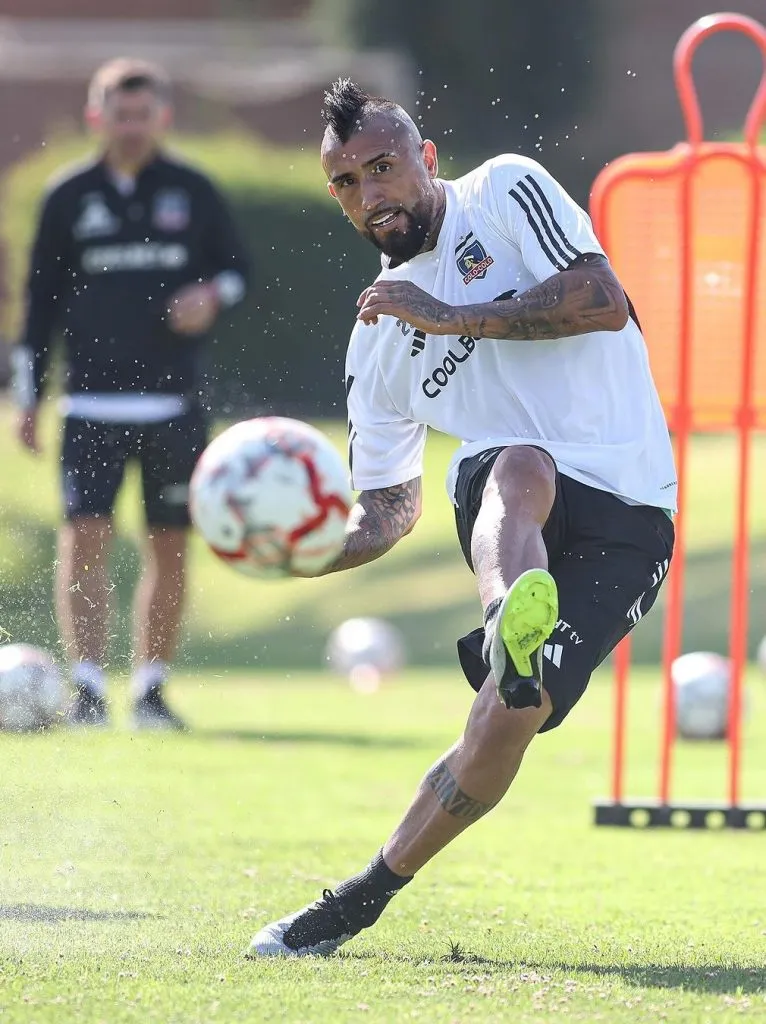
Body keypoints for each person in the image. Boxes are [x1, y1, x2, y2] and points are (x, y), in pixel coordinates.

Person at [248, 78, 676, 957]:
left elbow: (601, 297)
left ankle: (368, 891)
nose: (370, 196)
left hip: (635, 510)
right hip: (521, 507)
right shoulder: (375, 337)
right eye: (346, 184)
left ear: (426, 160)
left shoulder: (505, 189)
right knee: (515, 462)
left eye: (383, 167)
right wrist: (293, 551)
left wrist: (451, 318)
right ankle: (507, 627)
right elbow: (388, 510)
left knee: (507, 721)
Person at [12, 58, 250, 729]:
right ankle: (87, 688)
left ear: (161, 118)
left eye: (143, 113)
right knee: (84, 543)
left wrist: (213, 294)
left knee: (168, 546)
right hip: (89, 405)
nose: (132, 125)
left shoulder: (194, 191)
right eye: (120, 112)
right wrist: (27, 398)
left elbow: (239, 272)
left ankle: (150, 690)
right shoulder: (68, 196)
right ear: (98, 117)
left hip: (173, 405)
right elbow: (38, 305)